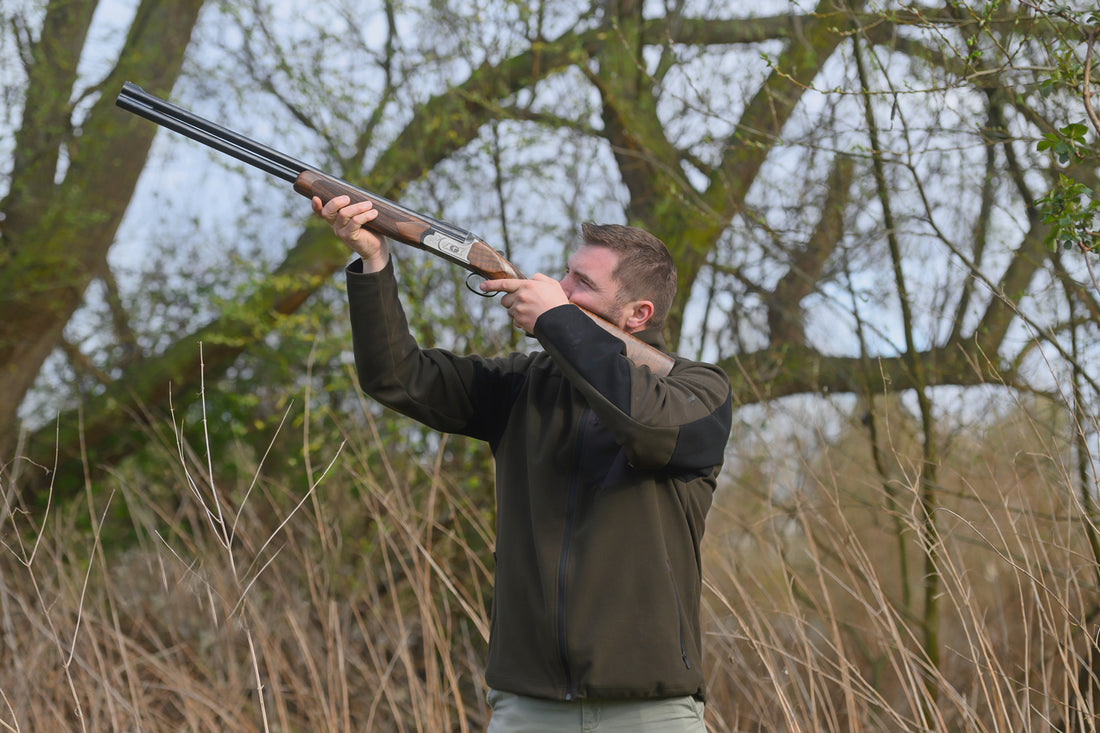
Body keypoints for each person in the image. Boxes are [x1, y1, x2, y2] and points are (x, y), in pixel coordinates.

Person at [314, 194, 733, 733]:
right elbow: (398, 377)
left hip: (651, 711)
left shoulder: (698, 392)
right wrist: (373, 260)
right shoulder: (522, 384)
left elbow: (650, 429)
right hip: (527, 707)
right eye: (566, 273)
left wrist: (557, 323)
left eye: (582, 284)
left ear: (638, 314)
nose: (558, 288)